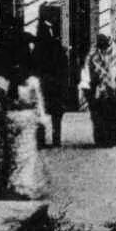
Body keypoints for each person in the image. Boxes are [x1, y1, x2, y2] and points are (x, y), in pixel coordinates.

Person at [0, 63, 49, 200]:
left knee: (9, 155)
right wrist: (41, 120)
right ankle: (23, 187)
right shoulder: (32, 82)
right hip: (27, 120)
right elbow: (38, 104)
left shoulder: (2, 82)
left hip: (9, 120)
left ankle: (10, 187)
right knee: (25, 155)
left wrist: (3, 116)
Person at [32, 18, 68, 147]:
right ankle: (56, 139)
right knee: (56, 114)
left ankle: (41, 140)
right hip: (54, 84)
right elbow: (64, 67)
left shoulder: (37, 48)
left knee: (40, 111)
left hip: (43, 84)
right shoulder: (57, 46)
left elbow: (33, 67)